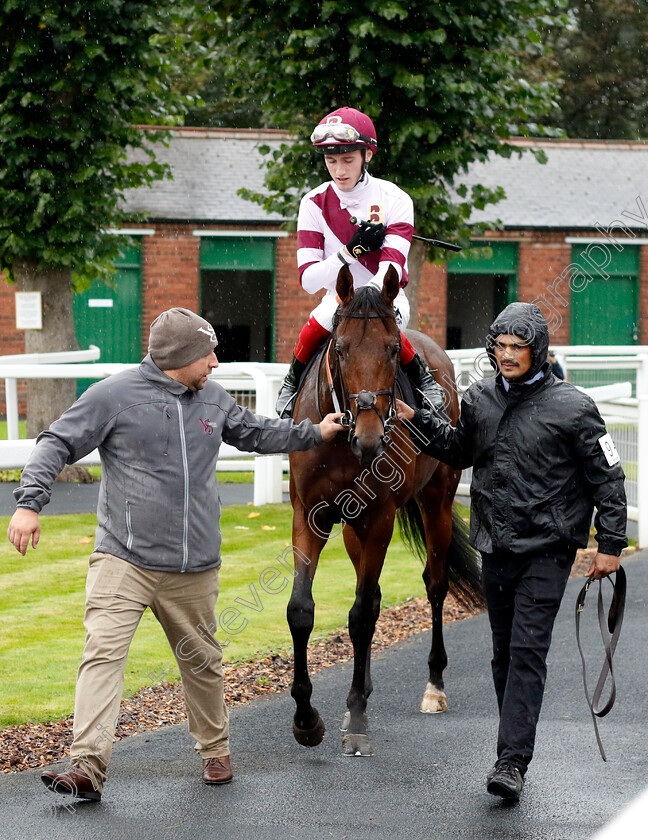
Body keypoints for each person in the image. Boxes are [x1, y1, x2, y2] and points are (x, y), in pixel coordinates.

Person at [7, 307, 344, 803]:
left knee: (202, 662)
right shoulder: (113, 396)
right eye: (206, 353)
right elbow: (56, 442)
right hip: (123, 559)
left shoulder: (212, 397)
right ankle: (87, 765)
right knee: (102, 655)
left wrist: (314, 432)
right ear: (178, 357)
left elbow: (254, 431)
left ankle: (215, 750)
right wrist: (29, 504)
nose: (214, 362)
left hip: (194, 567)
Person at [396, 301, 627, 802]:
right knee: (503, 657)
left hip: (549, 551)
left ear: (537, 350)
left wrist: (609, 544)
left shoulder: (574, 407)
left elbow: (607, 477)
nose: (506, 355)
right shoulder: (479, 399)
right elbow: (460, 451)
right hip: (495, 547)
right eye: (499, 346)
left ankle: (511, 761)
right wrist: (417, 420)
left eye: (517, 348)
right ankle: (513, 748)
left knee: (526, 653)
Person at [275, 105, 446, 417]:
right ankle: (292, 381)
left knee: (383, 330)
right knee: (320, 321)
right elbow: (309, 280)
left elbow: (392, 269)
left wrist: (368, 301)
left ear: (368, 155)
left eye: (348, 160)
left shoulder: (395, 199)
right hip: (338, 299)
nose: (339, 170)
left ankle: (422, 377)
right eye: (331, 160)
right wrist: (348, 252)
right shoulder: (313, 203)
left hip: (385, 296)